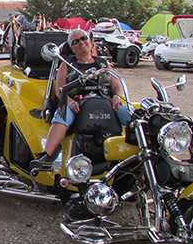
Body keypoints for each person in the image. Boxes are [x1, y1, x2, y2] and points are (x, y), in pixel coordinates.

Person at [30, 28, 130, 171]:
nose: (81, 43)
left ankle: (144, 148)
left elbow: (117, 85)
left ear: (90, 41)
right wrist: (70, 102)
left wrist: (115, 97)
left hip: (104, 101)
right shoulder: (67, 64)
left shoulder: (102, 63)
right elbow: (60, 90)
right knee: (62, 116)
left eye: (83, 38)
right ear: (71, 48)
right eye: (75, 42)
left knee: (130, 114)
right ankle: (46, 155)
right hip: (77, 102)